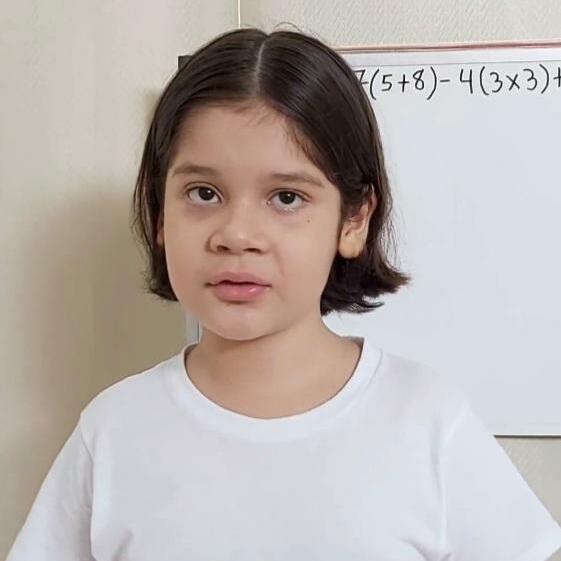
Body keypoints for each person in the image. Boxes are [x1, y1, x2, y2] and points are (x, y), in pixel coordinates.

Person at [6, 26, 561, 561]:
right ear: (159, 213)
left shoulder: (427, 420)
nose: (237, 235)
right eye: (204, 193)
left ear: (354, 220)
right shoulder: (114, 430)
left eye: (287, 198)